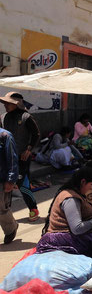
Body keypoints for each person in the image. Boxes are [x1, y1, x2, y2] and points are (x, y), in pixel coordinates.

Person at [37, 167, 92, 265]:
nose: (90, 188)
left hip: (71, 234)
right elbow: (77, 228)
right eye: (90, 184)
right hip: (61, 237)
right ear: (83, 182)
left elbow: (81, 213)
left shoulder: (77, 193)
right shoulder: (70, 199)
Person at [0, 92, 40, 222]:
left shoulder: (26, 117)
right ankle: (7, 212)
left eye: (8, 103)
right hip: (6, 158)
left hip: (21, 158)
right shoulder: (2, 117)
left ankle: (33, 208)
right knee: (6, 185)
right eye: (5, 103)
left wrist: (28, 149)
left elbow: (36, 134)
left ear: (16, 104)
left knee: (22, 184)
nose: (5, 105)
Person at [0, 127, 19, 244]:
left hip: (1, 179)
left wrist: (11, 180)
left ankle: (11, 228)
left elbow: (12, 158)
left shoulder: (5, 136)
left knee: (1, 209)